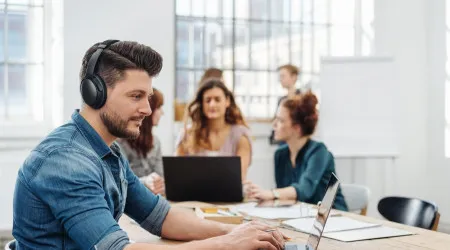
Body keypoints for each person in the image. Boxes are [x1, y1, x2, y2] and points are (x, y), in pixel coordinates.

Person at [12, 40, 285, 250]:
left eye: (149, 97)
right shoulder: (65, 161)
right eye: (136, 96)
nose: (146, 109)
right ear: (95, 94)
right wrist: (228, 244)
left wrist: (237, 232)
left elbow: (161, 216)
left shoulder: (110, 154)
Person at [246, 92, 348, 211]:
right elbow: (285, 197)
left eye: (280, 120)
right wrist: (258, 193)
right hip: (302, 217)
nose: (274, 124)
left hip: (333, 218)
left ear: (297, 128)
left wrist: (270, 193)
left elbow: (305, 190)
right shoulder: (280, 155)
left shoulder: (319, 152)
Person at [176, 78, 252, 181]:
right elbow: (177, 173)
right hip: (192, 196)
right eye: (208, 100)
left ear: (227, 101)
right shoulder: (187, 134)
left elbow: (240, 177)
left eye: (217, 99)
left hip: (229, 195)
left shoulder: (241, 136)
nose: (212, 105)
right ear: (202, 104)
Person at [119, 88, 165, 195]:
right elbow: (120, 182)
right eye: (158, 107)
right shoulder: (119, 142)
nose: (162, 113)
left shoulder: (156, 142)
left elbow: (161, 179)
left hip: (151, 200)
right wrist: (145, 182)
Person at [269, 64, 302, 145]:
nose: (280, 80)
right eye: (280, 77)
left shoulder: (303, 100)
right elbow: (275, 121)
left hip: (297, 141)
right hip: (283, 141)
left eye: (283, 76)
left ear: (294, 77)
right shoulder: (282, 100)